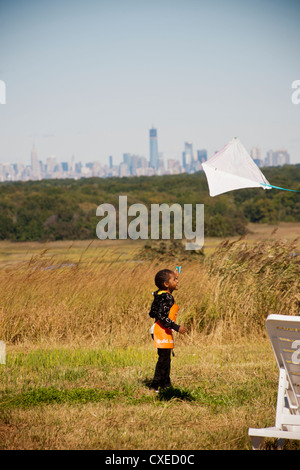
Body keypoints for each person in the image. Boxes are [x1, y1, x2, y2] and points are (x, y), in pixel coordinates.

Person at [149, 269, 187, 391]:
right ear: (166, 284)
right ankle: (155, 386)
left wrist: (173, 275)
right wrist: (177, 327)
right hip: (161, 330)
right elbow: (162, 316)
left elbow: (152, 313)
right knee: (164, 360)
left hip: (157, 328)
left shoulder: (159, 294)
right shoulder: (167, 297)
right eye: (174, 279)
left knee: (165, 359)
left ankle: (166, 384)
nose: (178, 281)